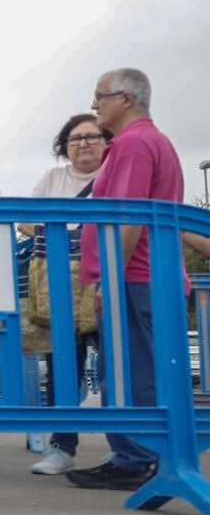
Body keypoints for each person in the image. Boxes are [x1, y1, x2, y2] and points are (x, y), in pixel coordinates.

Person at [67, 69, 185, 491]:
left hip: (134, 275)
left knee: (128, 370)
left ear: (127, 98)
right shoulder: (155, 141)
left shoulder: (133, 143)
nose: (95, 105)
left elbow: (129, 217)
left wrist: (109, 280)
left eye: (100, 96)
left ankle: (135, 458)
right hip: (151, 273)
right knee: (140, 367)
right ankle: (144, 454)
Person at [21, 114, 110, 475]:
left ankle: (129, 448)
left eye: (91, 136)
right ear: (64, 145)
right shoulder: (52, 178)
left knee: (113, 366)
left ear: (107, 141)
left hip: (102, 278)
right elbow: (24, 219)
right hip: (55, 281)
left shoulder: (114, 175)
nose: (83, 143)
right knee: (61, 364)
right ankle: (63, 446)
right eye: (75, 138)